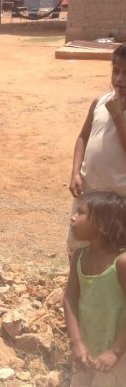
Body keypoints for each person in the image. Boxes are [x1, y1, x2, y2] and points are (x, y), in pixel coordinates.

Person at [63, 191, 126, 386]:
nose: (73, 217)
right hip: (86, 352)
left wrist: (116, 351)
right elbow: (70, 298)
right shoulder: (79, 257)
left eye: (81, 213)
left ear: (101, 224)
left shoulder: (121, 263)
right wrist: (77, 343)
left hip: (117, 358)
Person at [68, 43, 126, 253]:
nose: (119, 79)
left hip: (118, 199)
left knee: (114, 251)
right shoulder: (99, 102)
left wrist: (119, 116)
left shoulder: (114, 109)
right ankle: (80, 285)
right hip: (90, 191)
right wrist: (75, 172)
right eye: (116, 71)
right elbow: (83, 137)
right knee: (79, 247)